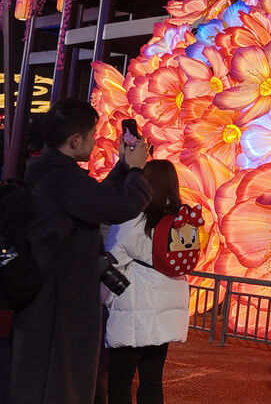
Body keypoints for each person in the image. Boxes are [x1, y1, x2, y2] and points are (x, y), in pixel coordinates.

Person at [10, 98, 152, 404]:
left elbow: (96, 199)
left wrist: (124, 168)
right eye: (91, 134)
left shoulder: (51, 172)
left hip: (51, 300)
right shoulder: (62, 180)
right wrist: (137, 171)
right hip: (60, 305)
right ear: (75, 141)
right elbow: (117, 206)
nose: (93, 140)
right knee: (62, 383)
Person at [105, 159, 190, 404]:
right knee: (152, 379)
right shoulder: (182, 221)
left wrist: (108, 300)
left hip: (134, 309)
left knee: (120, 379)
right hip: (166, 309)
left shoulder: (134, 220)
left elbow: (112, 261)